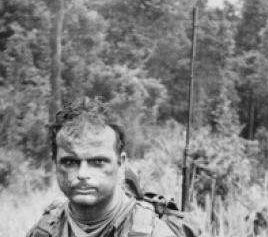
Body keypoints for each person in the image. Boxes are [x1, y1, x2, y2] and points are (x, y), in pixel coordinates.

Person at [25, 102, 175, 237]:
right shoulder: (44, 230)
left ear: (120, 164)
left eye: (98, 161)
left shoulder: (154, 233)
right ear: (55, 163)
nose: (82, 174)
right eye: (70, 162)